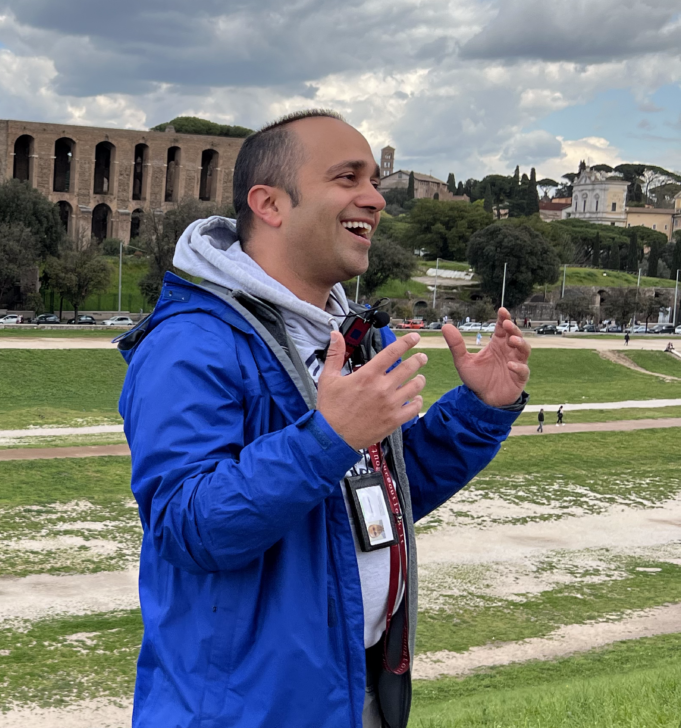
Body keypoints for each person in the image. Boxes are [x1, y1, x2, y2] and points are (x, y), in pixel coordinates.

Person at [117, 110, 530, 728]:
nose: (374, 198)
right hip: (243, 711)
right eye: (348, 178)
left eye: (374, 181)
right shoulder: (191, 344)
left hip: (353, 691)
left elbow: (378, 495)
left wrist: (479, 411)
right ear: (271, 204)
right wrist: (327, 439)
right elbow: (186, 527)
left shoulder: (354, 334)